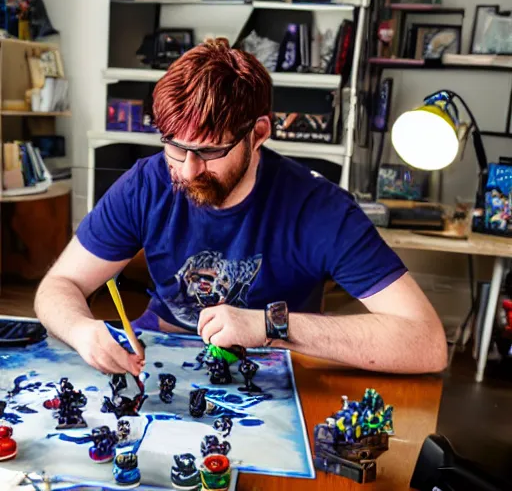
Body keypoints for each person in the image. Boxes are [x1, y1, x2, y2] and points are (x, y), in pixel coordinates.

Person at [34, 38, 447, 377]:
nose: (189, 169)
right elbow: (59, 286)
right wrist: (82, 329)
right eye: (175, 147)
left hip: (271, 370)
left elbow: (426, 343)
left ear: (259, 133)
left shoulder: (320, 210)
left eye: (210, 151)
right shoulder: (147, 183)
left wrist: (269, 326)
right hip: (155, 357)